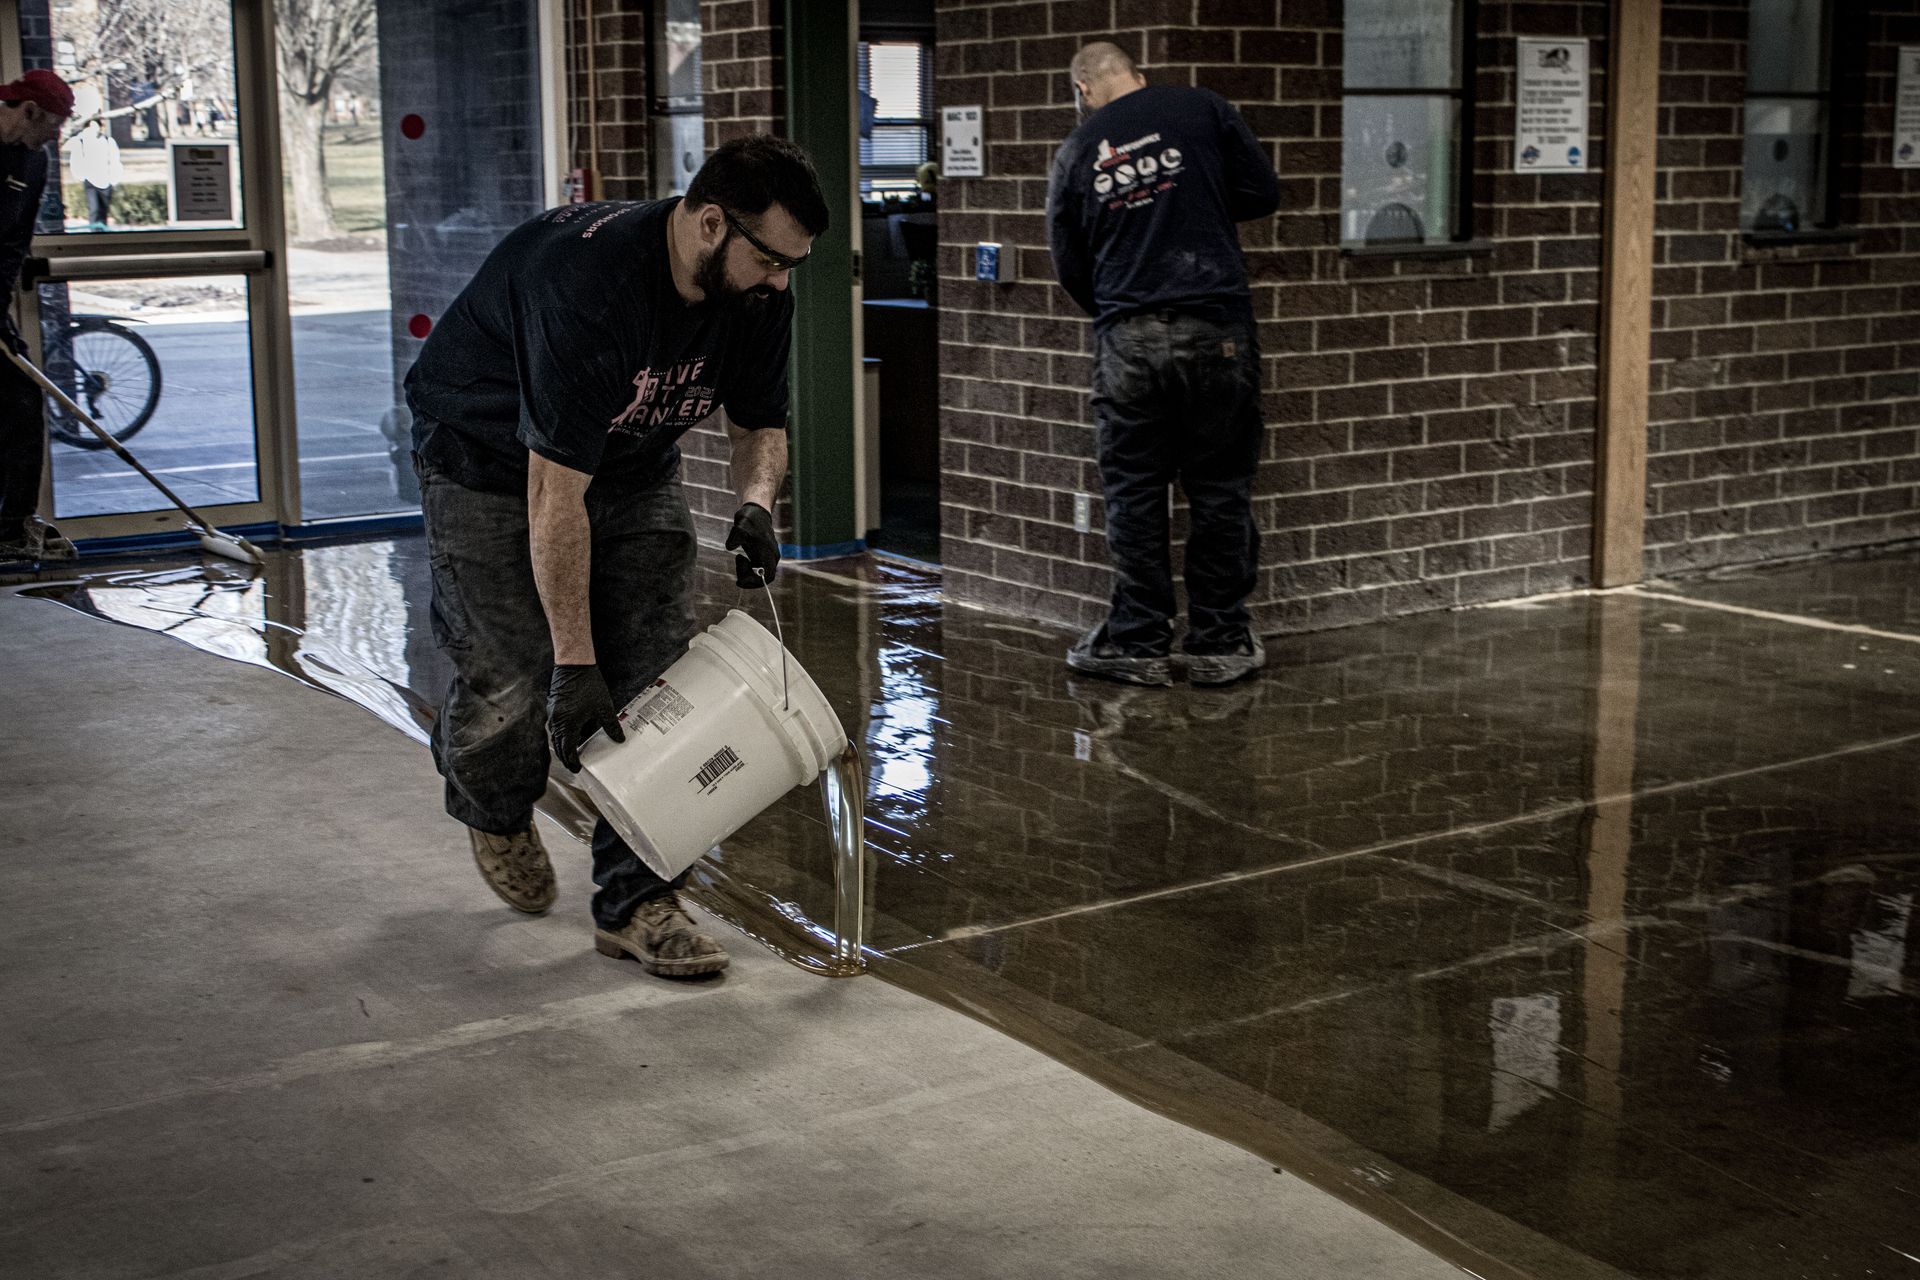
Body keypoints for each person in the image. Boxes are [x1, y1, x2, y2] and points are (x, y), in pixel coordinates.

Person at [403, 135, 827, 978]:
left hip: (634, 467)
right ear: (712, 224)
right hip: (488, 462)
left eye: (794, 264)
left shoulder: (759, 293)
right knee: (514, 680)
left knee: (657, 685)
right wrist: (574, 661)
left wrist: (755, 505)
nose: (783, 281)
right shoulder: (588, 287)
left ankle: (638, 903)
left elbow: (759, 423)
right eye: (773, 259)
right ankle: (491, 801)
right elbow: (554, 497)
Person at [1046, 42, 1279, 687]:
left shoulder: (1076, 150)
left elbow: (1068, 262)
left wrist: (1124, 315)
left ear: (1083, 90)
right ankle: (1220, 642)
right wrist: (1192, 202)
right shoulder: (1200, 107)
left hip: (1128, 336)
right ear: (1138, 78)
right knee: (1221, 488)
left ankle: (1140, 642)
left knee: (1134, 493)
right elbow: (1264, 190)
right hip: (1218, 328)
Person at [0, 70, 75, 563]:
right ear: (28, 111)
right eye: (53, 123)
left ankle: (11, 527)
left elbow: (13, 243)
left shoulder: (35, 159)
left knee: (23, 400)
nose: (56, 135)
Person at [67, 118, 122, 231]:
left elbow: (114, 159)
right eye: (91, 127)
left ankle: (102, 234)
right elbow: (76, 159)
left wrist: (114, 178)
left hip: (106, 180)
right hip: (90, 181)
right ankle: (94, 233)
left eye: (97, 127)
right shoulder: (82, 142)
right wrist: (80, 175)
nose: (95, 130)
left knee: (103, 210)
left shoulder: (108, 141)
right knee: (94, 209)